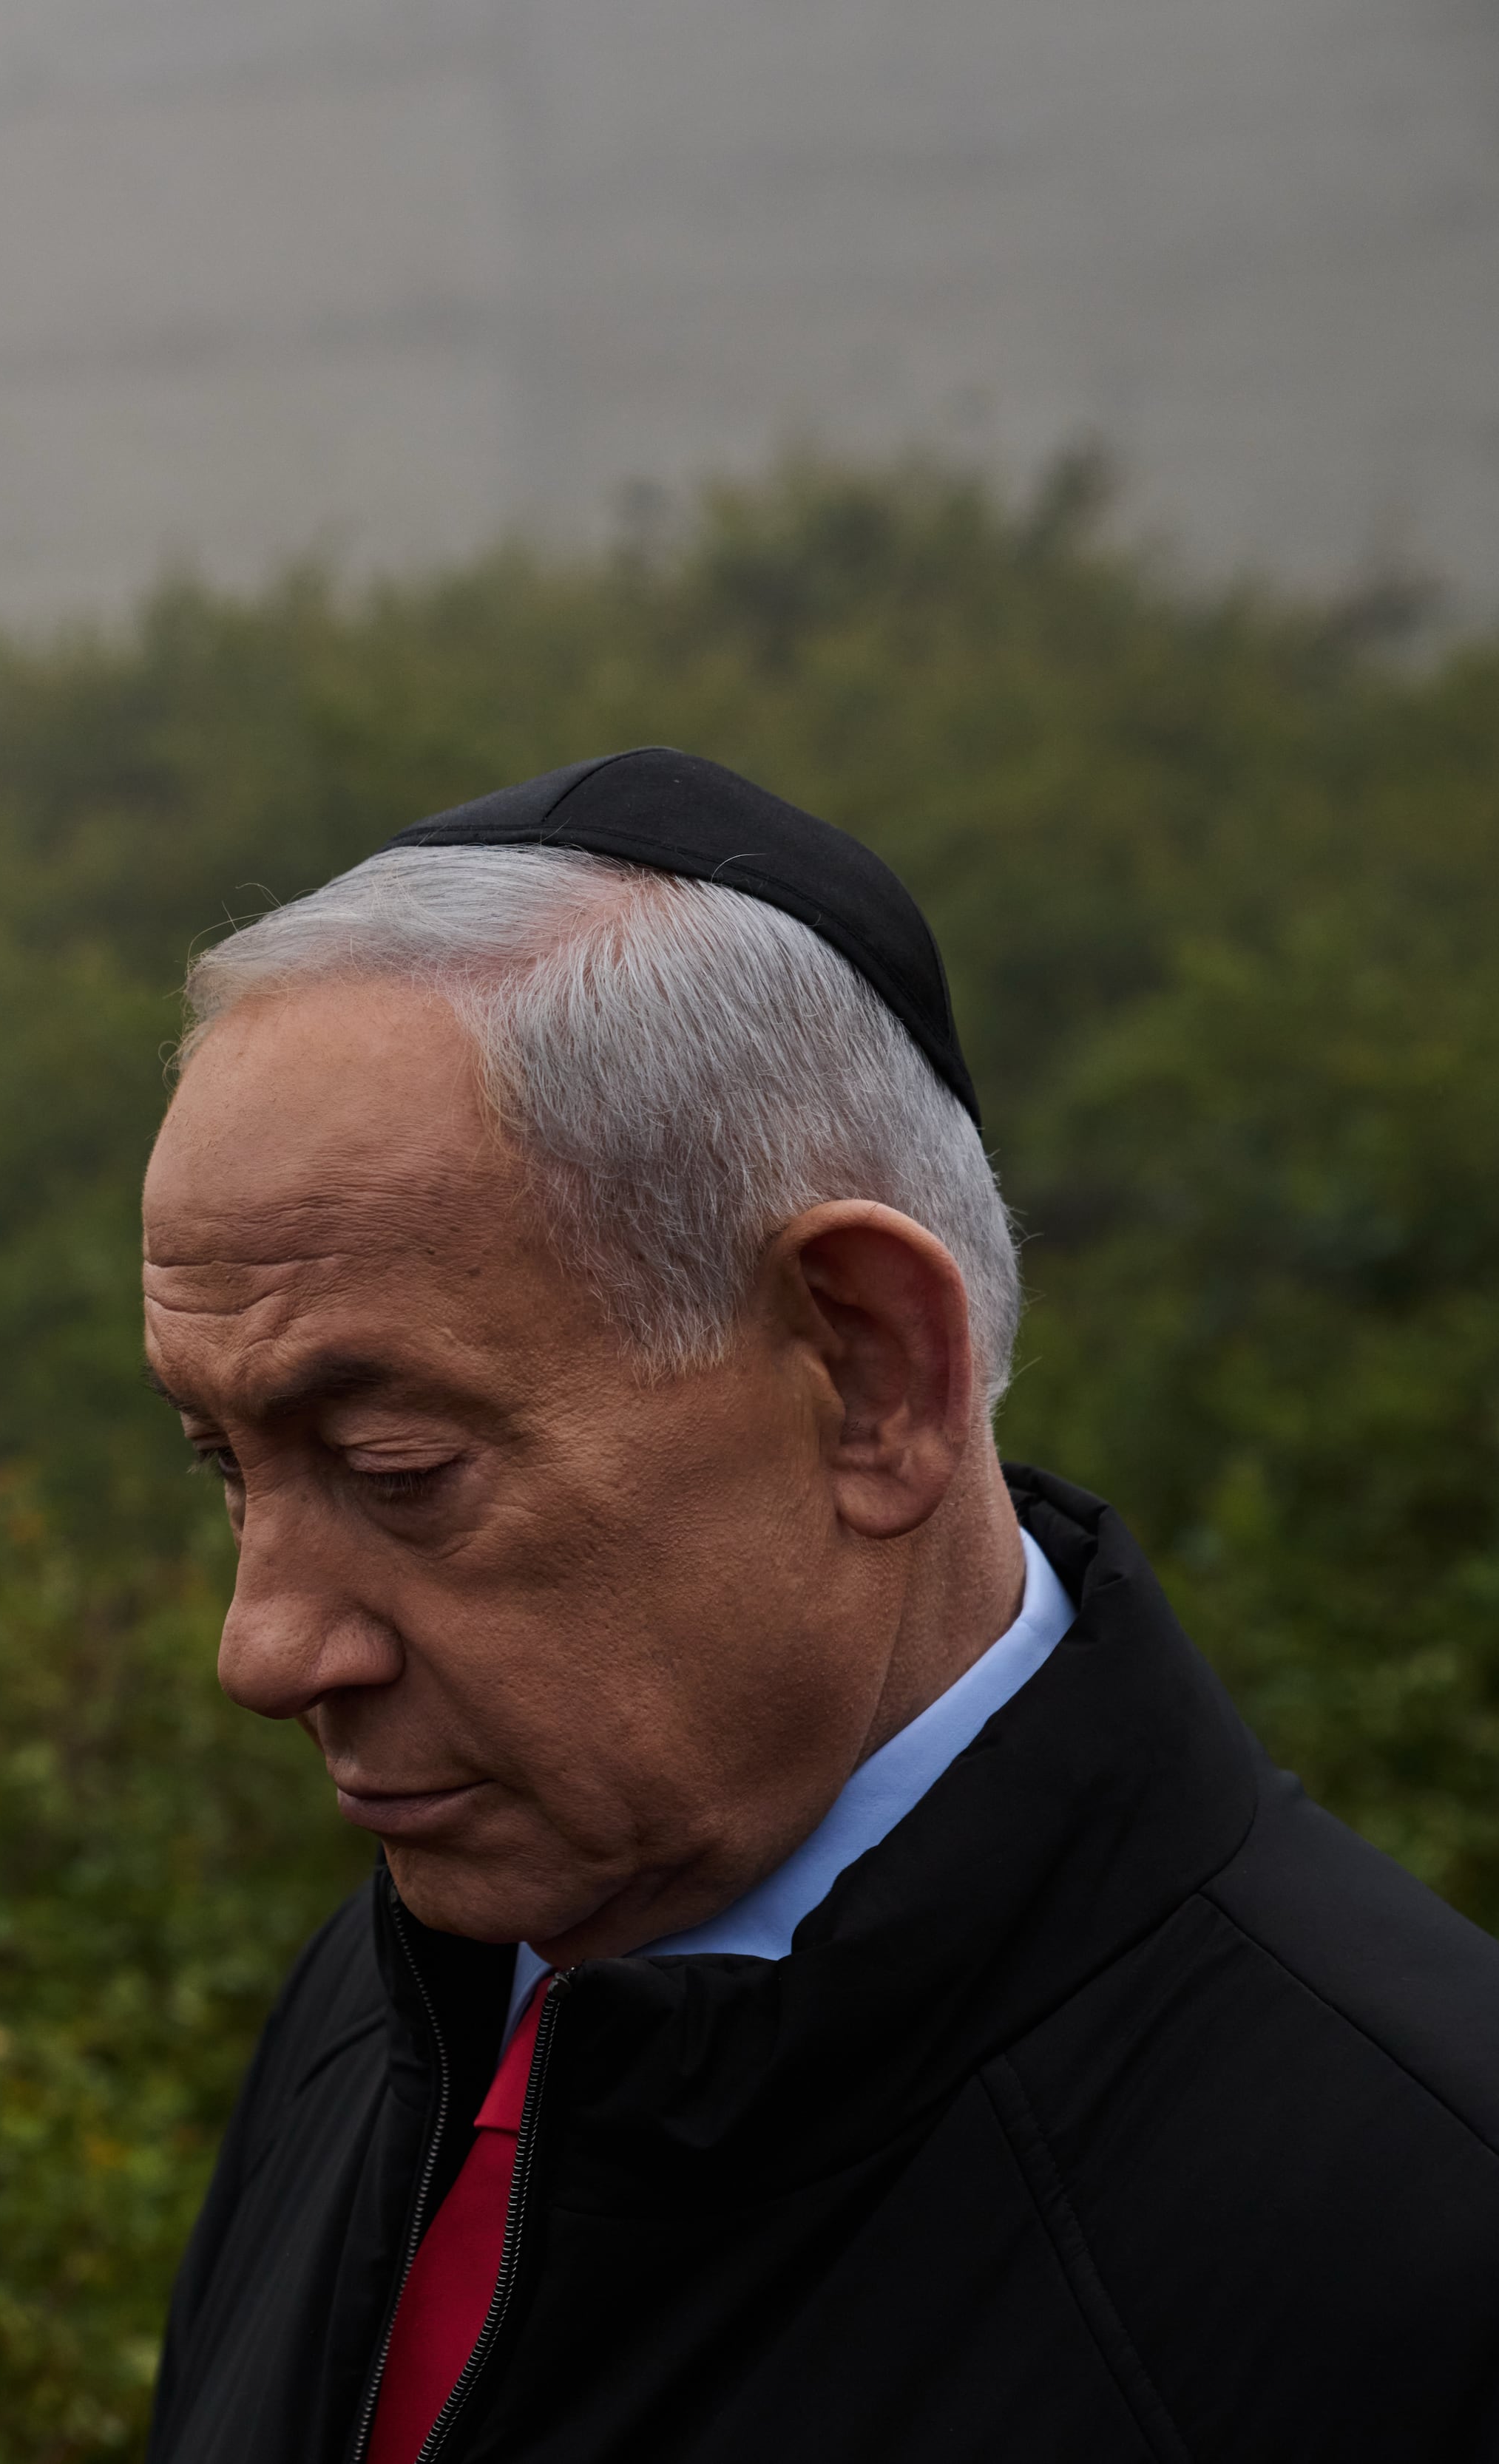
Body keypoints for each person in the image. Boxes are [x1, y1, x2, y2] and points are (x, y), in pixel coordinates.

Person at [137, 749, 1499, 2463]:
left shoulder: (1427, 2240)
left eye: (397, 1466)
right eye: (225, 1463)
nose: (263, 1649)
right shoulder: (385, 2006)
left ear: (867, 1375)